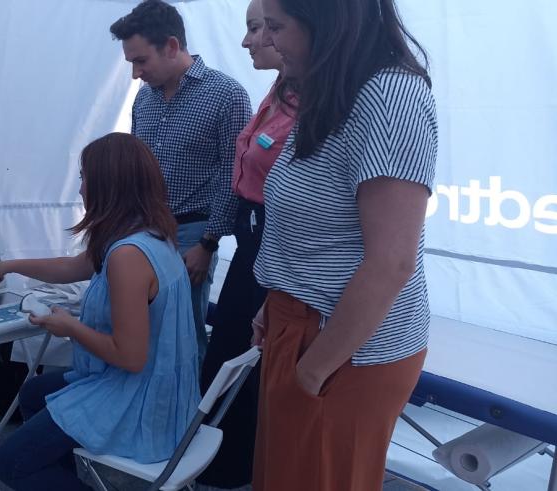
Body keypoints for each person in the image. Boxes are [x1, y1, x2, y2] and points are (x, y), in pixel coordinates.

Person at [251, 0, 438, 488]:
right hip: (305, 331)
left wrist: (312, 372)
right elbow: (315, 218)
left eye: (276, 26)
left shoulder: (390, 95)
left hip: (341, 349)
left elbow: (391, 262)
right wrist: (276, 302)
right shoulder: (331, 91)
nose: (267, 41)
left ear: (329, 23)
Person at [0, 133, 200, 490]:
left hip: (139, 399)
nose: (81, 189)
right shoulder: (149, 233)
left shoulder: (128, 256)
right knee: (34, 393)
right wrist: (10, 265)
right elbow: (74, 267)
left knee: (11, 463)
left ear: (109, 185)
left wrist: (69, 327)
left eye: (85, 177)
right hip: (166, 390)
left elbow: (129, 357)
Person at [110, 0, 252, 360]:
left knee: (182, 331)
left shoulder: (227, 95)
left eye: (140, 61)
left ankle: (185, 413)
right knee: (141, 325)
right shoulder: (145, 99)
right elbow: (137, 168)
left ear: (172, 46)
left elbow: (232, 175)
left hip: (192, 235)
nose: (135, 73)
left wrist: (208, 243)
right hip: (143, 230)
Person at [195, 0, 296, 488]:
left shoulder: (319, 102)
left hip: (273, 239)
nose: (247, 40)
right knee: (226, 353)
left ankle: (235, 467)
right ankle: (218, 463)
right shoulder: (279, 89)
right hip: (250, 233)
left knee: (247, 357)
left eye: (262, 27)